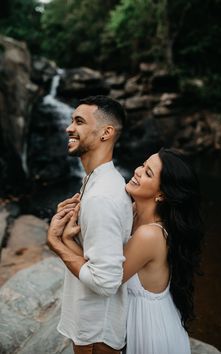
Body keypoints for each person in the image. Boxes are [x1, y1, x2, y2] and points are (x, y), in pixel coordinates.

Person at [51, 147, 203, 354]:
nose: (138, 171)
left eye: (148, 173)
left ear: (161, 194)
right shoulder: (130, 210)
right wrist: (70, 220)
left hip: (149, 331)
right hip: (127, 320)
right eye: (143, 165)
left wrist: (59, 242)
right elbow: (98, 259)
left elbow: (101, 278)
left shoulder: (149, 235)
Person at [47, 95, 133, 354]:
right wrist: (68, 237)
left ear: (106, 132)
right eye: (72, 120)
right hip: (90, 322)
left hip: (97, 332)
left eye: (79, 122)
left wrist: (56, 243)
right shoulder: (95, 181)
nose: (69, 128)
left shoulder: (101, 197)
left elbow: (106, 281)